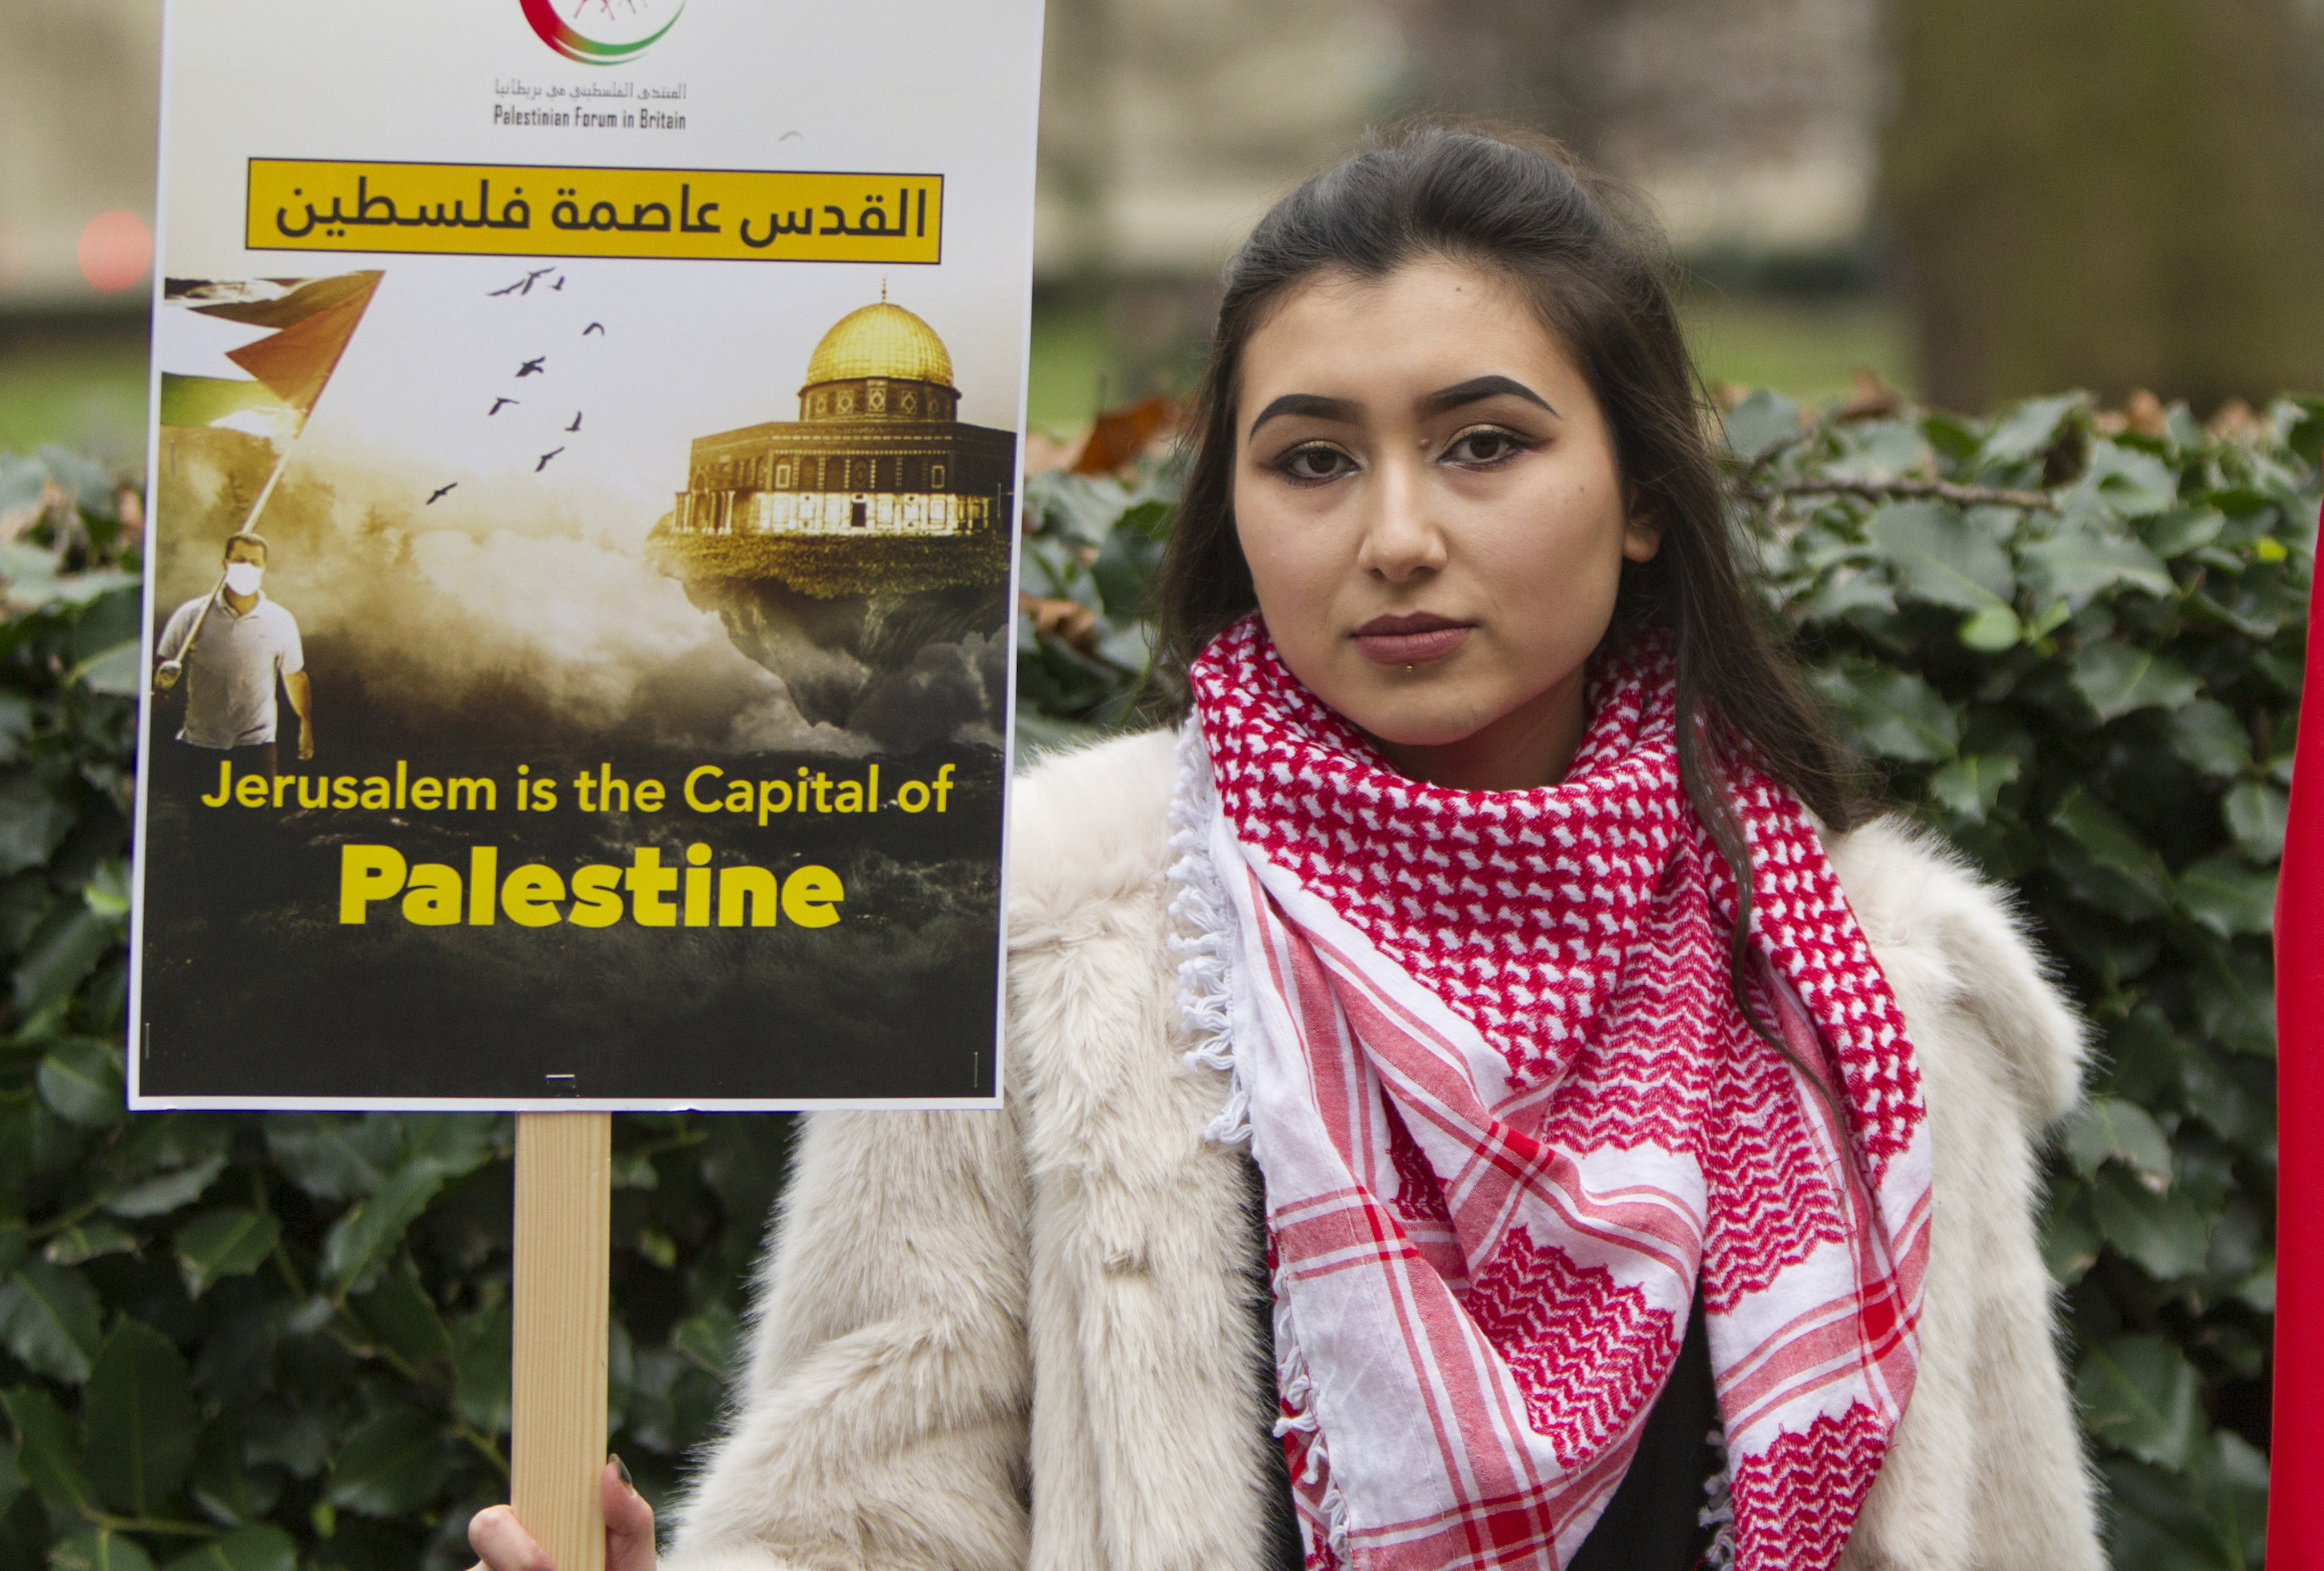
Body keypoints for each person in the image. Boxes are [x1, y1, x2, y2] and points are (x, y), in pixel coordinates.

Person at [466, 126, 2102, 1570]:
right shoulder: (1044, 930)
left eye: (1485, 444)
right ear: (1236, 513)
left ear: (1643, 488)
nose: (1398, 536)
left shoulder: (1861, 989)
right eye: (1313, 459)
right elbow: (866, 1524)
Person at [151, 531, 311, 770]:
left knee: (257, 808)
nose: (247, 567)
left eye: (255, 562)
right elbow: (161, 669)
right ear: (224, 563)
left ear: (264, 567)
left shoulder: (280, 619)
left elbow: (294, 676)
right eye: (239, 560)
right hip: (199, 745)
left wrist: (306, 725)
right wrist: (157, 691)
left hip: (257, 748)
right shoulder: (192, 614)